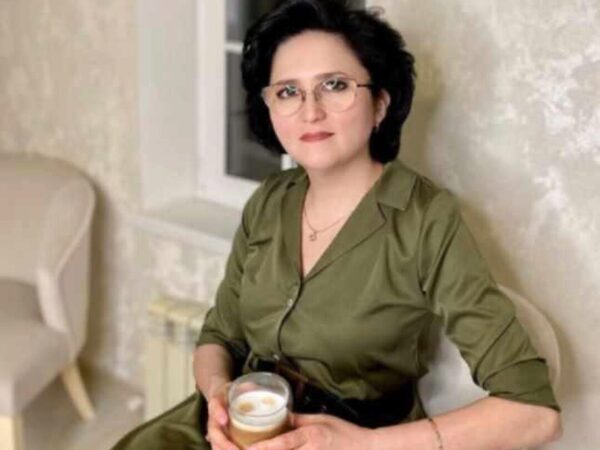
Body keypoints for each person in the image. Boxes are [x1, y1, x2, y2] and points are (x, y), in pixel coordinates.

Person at [113, 1, 562, 449]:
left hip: (356, 436)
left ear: (380, 103)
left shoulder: (425, 218)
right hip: (244, 418)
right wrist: (218, 399)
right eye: (288, 91)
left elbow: (535, 413)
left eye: (334, 85)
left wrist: (369, 445)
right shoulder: (269, 199)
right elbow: (220, 336)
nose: (310, 111)